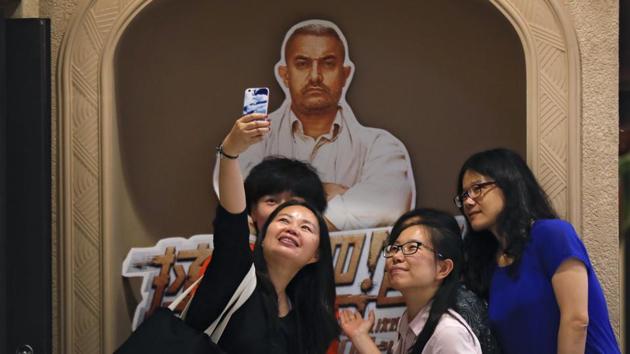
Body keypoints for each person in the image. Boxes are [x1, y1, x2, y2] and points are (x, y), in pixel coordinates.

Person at [213, 19, 415, 231]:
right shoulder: (251, 138)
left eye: (328, 63)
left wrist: (278, 214)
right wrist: (328, 193)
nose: (315, 76)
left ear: (344, 74)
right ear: (285, 74)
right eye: (302, 63)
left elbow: (385, 206)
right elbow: (239, 207)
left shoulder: (381, 146)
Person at [186, 113, 339, 353]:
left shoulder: (311, 317)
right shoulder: (234, 273)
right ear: (262, 235)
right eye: (282, 218)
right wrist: (230, 152)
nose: (292, 227)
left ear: (316, 254)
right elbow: (231, 221)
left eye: (306, 226)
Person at [454, 148, 620, 354]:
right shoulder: (491, 263)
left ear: (510, 183)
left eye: (478, 188)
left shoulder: (552, 234)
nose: (469, 201)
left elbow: (576, 320)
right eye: (464, 195)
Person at [339, 208, 482, 353]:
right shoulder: (409, 321)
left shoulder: (449, 334)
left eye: (412, 247)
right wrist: (359, 336)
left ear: (443, 268)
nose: (396, 256)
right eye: (394, 248)